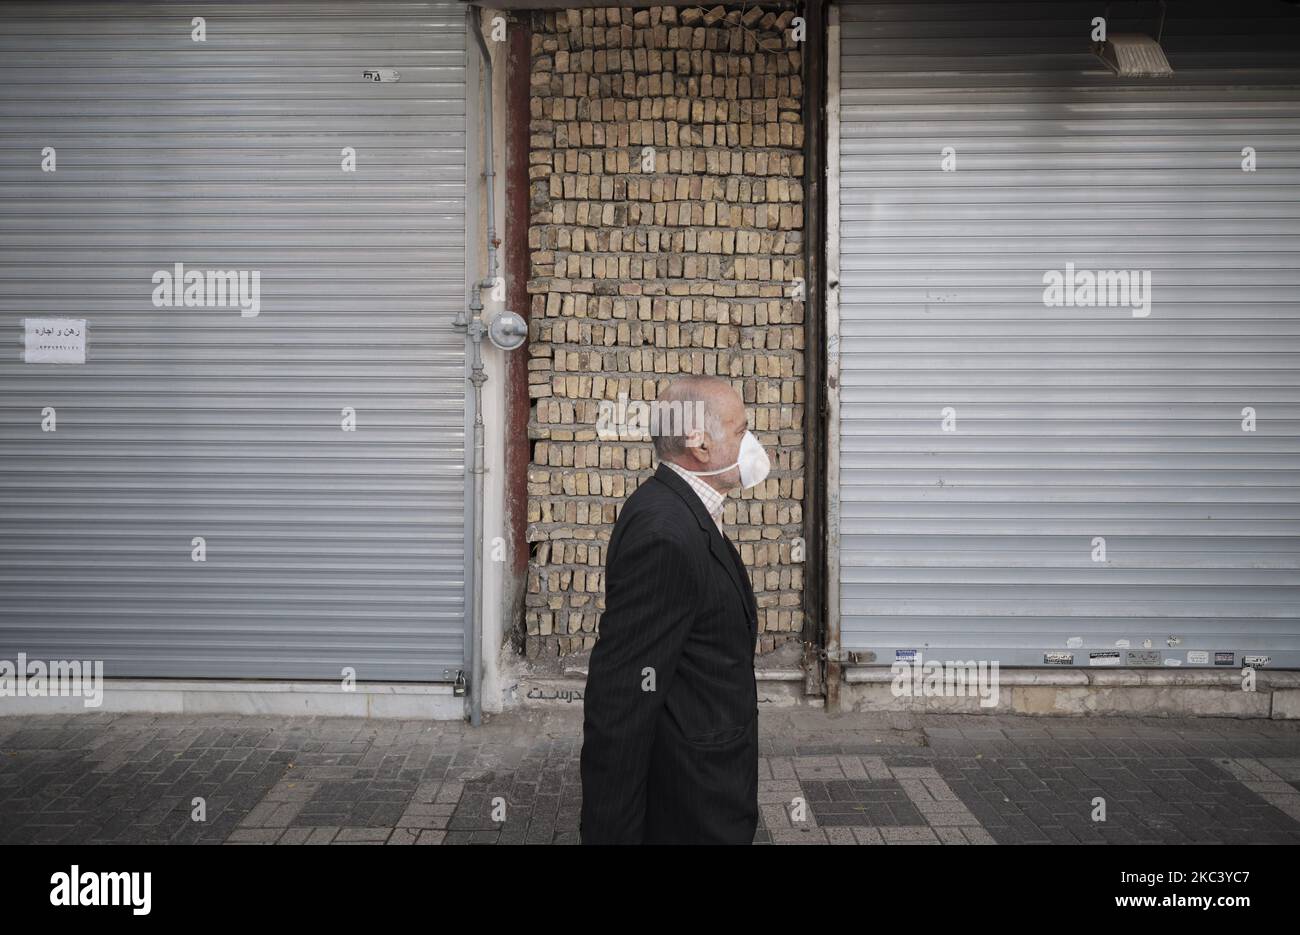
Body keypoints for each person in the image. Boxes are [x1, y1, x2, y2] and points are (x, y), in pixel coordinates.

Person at [579, 374, 771, 844]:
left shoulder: (688, 508)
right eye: (741, 430)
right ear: (698, 443)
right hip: (691, 803)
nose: (753, 443)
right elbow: (622, 698)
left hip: (709, 783)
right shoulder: (664, 531)